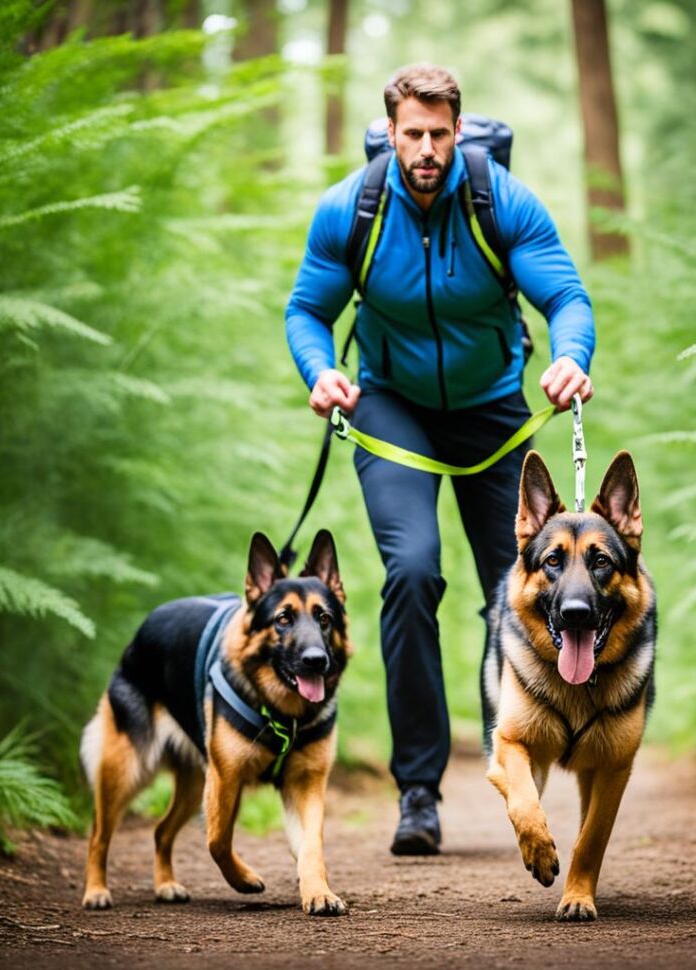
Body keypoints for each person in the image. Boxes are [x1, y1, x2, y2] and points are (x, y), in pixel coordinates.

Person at [285, 64, 594, 855]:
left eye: (439, 133)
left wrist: (569, 355)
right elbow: (307, 311)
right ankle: (418, 792)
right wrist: (320, 371)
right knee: (413, 572)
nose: (426, 148)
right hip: (393, 409)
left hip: (493, 412)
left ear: (459, 130)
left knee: (523, 586)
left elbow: (565, 298)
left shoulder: (501, 202)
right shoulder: (351, 209)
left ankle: (521, 754)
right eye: (411, 134)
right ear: (391, 133)